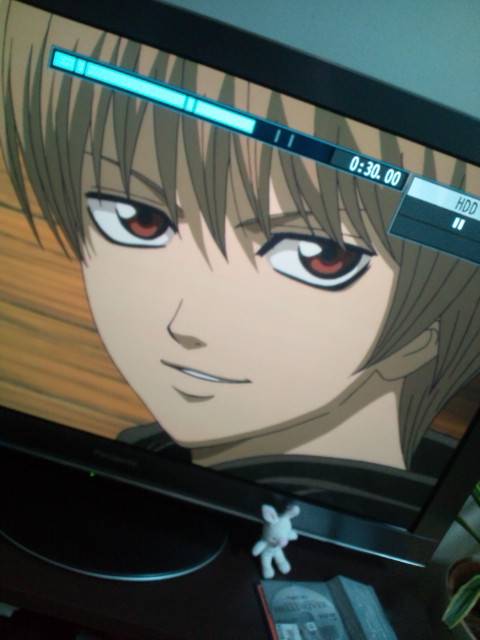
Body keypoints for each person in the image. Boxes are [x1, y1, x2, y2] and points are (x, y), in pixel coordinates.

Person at [1, 0, 479, 482]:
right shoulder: (147, 451)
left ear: (430, 326)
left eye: (318, 256)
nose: (187, 326)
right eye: (139, 219)